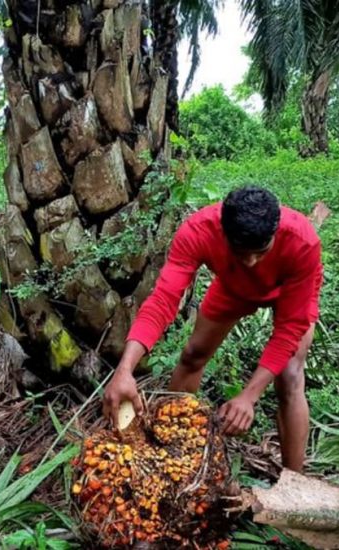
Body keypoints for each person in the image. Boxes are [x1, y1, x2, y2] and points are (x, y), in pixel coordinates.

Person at [103, 186, 323, 472]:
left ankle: (295, 484)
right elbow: (162, 302)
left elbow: (289, 330)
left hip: (289, 292)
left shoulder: (301, 242)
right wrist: (124, 369)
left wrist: (248, 397)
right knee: (193, 354)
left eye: (260, 252)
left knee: (290, 374)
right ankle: (173, 456)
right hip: (233, 287)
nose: (252, 262)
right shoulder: (198, 231)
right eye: (241, 252)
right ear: (222, 231)